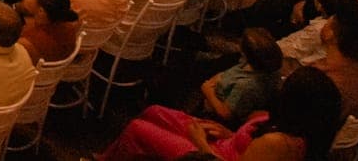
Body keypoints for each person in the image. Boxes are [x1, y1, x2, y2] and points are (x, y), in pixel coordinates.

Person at [96, 65, 343, 161]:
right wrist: (230, 133)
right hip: (227, 142)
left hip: (212, 154)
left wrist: (200, 142)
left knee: (138, 130)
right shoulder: (298, 128)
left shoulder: (279, 143)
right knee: (154, 110)